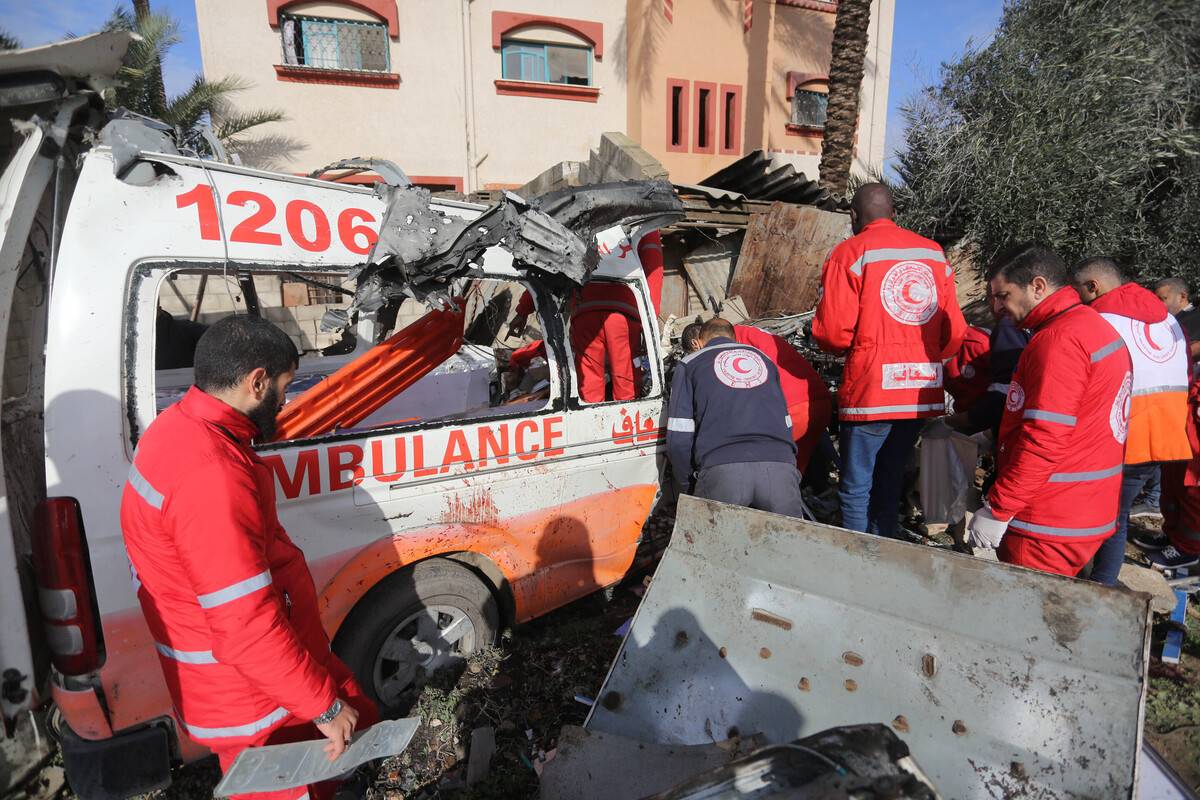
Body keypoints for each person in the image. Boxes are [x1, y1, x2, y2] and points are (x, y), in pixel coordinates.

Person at [120, 315, 378, 800]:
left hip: (237, 680)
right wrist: (321, 706)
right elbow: (244, 625)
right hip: (253, 694)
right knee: (285, 787)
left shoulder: (175, 428)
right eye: (282, 388)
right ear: (256, 380)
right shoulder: (210, 476)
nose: (285, 402)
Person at [967, 244, 1131, 577]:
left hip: (1047, 519)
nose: (998, 307)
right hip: (1086, 507)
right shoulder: (1093, 326)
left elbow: (1045, 438)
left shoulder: (1058, 341)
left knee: (1028, 619)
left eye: (1004, 296)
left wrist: (999, 508)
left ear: (1038, 286)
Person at [813, 183, 967, 537]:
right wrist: (926, 357)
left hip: (872, 391)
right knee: (890, 476)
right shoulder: (933, 254)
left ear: (854, 216)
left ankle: (858, 559)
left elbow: (833, 332)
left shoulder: (849, 253)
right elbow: (955, 333)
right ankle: (885, 547)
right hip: (919, 391)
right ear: (894, 214)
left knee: (855, 485)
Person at [1071, 258, 1190, 583]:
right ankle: (1103, 580)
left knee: (1088, 509)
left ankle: (1091, 579)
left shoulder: (1098, 319)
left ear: (1093, 286)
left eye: (1079, 291)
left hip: (1118, 434)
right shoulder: (1167, 320)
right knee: (1117, 513)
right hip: (1164, 436)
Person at [667, 317, 805, 516]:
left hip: (722, 471)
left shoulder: (690, 363)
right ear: (733, 337)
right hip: (780, 469)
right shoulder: (764, 360)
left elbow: (679, 436)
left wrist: (685, 483)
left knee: (715, 543)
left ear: (701, 340)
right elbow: (786, 421)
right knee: (786, 543)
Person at [509, 231, 665, 403]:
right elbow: (653, 268)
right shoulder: (643, 219)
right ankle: (626, 425)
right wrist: (651, 320)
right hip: (623, 313)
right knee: (626, 383)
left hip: (585, 310)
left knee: (590, 385)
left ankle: (592, 426)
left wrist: (522, 311)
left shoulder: (577, 214)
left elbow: (545, 269)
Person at [680, 320, 833, 473]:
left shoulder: (725, 348)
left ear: (696, 344)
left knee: (761, 473)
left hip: (791, 409)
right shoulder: (743, 332)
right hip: (817, 401)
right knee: (792, 476)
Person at [1153, 277, 1200, 361]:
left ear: (1182, 296)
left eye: (1163, 298)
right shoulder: (1171, 320)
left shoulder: (1194, 315)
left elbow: (1195, 347)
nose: (1158, 304)